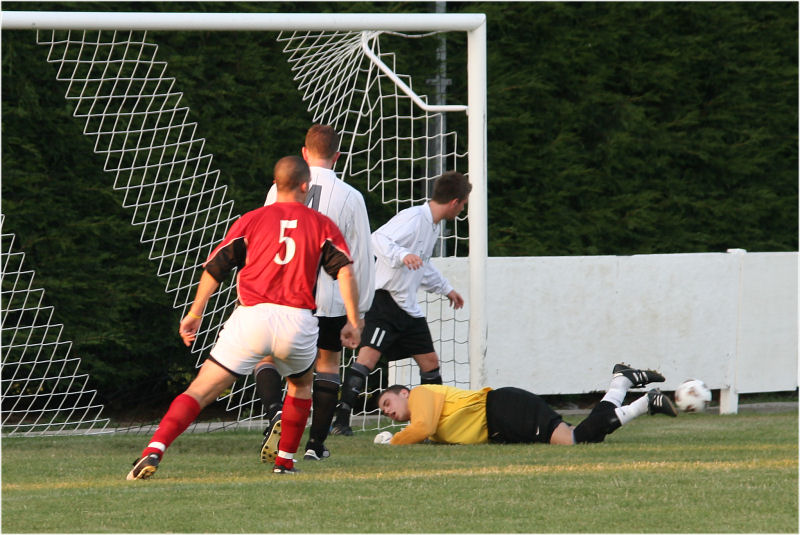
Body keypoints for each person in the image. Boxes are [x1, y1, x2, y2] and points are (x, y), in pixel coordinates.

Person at [126, 155, 362, 479]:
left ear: (276, 184)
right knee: (302, 384)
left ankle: (154, 449)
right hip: (298, 322)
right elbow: (345, 272)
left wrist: (195, 313)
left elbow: (214, 268)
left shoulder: (251, 220)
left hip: (252, 318)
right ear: (306, 185)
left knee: (199, 391)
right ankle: (285, 461)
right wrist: (354, 320)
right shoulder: (321, 224)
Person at [255, 124, 375, 462]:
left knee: (268, 357)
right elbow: (361, 255)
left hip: (284, 294)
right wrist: (360, 310)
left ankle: (275, 412)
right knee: (327, 364)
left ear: (304, 154)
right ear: (337, 156)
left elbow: (267, 238)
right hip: (331, 299)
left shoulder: (278, 188)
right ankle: (315, 445)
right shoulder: (351, 196)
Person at [331, 171, 471, 436]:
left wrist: (446, 289)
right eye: (463, 204)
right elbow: (378, 239)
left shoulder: (434, 225)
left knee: (430, 362)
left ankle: (432, 424)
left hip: (407, 307)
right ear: (455, 201)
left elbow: (422, 266)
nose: (462, 209)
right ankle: (341, 421)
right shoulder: (414, 217)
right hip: (385, 301)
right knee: (367, 359)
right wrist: (402, 254)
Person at [372, 363, 677, 446]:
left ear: (405, 392)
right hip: (502, 420)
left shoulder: (424, 394)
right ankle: (621, 383)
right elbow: (423, 431)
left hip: (502, 410)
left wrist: (392, 441)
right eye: (383, 411)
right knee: (584, 436)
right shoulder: (423, 421)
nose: (387, 411)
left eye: (388, 402)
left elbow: (421, 428)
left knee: (575, 440)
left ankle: (645, 403)